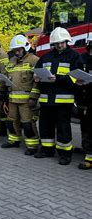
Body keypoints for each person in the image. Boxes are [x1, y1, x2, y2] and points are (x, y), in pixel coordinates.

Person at [29, 27, 81, 165]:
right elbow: (38, 71)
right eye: (57, 43)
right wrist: (37, 77)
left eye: (62, 42)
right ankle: (47, 150)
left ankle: (65, 154)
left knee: (63, 128)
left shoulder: (75, 57)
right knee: (46, 126)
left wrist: (57, 78)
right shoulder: (46, 57)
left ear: (67, 41)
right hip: (46, 100)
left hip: (63, 101)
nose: (59, 45)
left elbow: (76, 79)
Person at [0, 35, 40, 155]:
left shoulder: (34, 60)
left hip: (27, 101)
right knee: (11, 122)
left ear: (25, 48)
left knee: (28, 123)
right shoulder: (11, 62)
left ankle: (32, 146)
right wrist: (1, 92)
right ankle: (13, 140)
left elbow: (37, 82)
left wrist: (33, 97)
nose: (16, 53)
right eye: (14, 50)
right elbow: (4, 78)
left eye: (19, 50)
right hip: (12, 99)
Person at [75, 41, 92, 169]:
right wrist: (78, 81)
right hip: (83, 98)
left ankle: (90, 159)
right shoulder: (83, 57)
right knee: (84, 126)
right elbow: (77, 73)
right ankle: (86, 149)